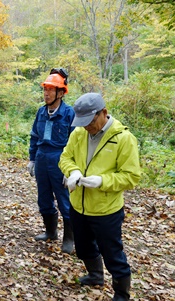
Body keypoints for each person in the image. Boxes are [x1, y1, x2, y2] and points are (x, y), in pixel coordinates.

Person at [59, 93, 141, 300]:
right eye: (82, 122)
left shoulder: (123, 138)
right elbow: (65, 157)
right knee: (84, 246)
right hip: (79, 205)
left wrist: (102, 181)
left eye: (90, 121)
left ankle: (122, 294)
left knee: (113, 254)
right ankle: (95, 275)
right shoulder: (79, 133)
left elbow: (131, 177)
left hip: (106, 210)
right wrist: (73, 171)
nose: (86, 126)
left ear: (103, 113)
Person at [27, 68, 75, 254]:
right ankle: (50, 232)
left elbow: (75, 142)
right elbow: (34, 136)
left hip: (60, 158)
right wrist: (32, 159)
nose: (46, 93)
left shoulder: (69, 114)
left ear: (61, 92)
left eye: (51, 89)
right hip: (42, 157)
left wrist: (71, 169)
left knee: (65, 200)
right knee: (44, 198)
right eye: (45, 89)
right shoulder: (41, 112)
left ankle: (69, 238)